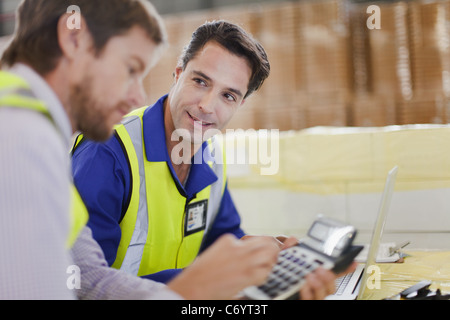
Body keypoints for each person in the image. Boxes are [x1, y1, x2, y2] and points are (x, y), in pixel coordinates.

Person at [0, 0, 284, 300]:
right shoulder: (23, 143)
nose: (138, 97)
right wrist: (192, 289)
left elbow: (87, 275)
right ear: (73, 40)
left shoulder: (39, 141)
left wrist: (256, 260)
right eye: (129, 69)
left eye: (228, 95)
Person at [71, 19, 353, 299]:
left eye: (228, 95)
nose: (207, 106)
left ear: (240, 104)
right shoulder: (106, 152)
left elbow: (223, 240)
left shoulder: (211, 157)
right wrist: (206, 280)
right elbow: (84, 285)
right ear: (178, 74)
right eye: (200, 81)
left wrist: (262, 257)